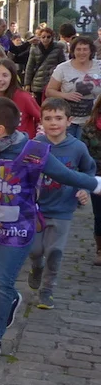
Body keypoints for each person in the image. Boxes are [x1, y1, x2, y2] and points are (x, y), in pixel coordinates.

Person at [0, 97, 101, 361]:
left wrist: (95, 184)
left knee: (0, 282)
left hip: (18, 230)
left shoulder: (34, 152)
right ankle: (11, 299)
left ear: (0, 130)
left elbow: (66, 175)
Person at [26, 99, 95, 310]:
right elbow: (24, 171)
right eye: (48, 118)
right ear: (41, 121)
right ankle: (36, 267)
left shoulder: (78, 147)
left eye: (58, 118)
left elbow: (89, 170)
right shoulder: (35, 145)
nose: (53, 123)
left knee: (55, 251)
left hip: (63, 208)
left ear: (69, 121)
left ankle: (47, 290)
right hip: (36, 208)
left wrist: (84, 189)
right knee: (35, 250)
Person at [44, 36, 101, 139]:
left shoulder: (99, 66)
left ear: (91, 51)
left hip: (92, 120)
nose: (81, 52)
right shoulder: (62, 68)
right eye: (78, 49)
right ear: (73, 51)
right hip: (69, 120)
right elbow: (49, 91)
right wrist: (65, 95)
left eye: (85, 49)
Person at [0, 58, 41, 140]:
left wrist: (38, 138)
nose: (0, 79)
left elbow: (42, 118)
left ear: (12, 78)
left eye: (5, 75)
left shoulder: (24, 97)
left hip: (21, 145)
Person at [79, 94, 101, 266]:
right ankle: (100, 249)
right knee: (99, 215)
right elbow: (85, 158)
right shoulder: (89, 128)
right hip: (98, 177)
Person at [24, 27, 65, 104]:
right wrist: (27, 84)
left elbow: (63, 65)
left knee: (51, 106)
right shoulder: (34, 48)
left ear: (52, 37)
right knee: (38, 106)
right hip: (38, 83)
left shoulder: (58, 48)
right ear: (40, 37)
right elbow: (30, 67)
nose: (46, 39)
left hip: (53, 83)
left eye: (48, 37)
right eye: (43, 37)